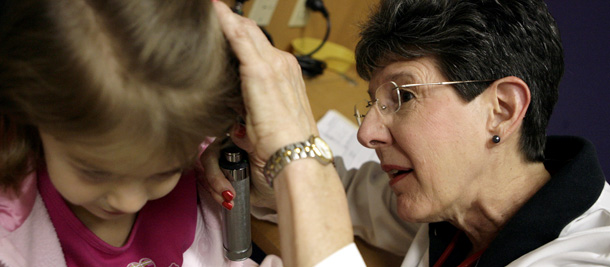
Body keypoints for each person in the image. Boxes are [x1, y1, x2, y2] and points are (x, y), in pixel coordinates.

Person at [206, 0, 610, 266]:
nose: (367, 132)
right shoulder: (455, 200)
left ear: (500, 110)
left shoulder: (590, 256)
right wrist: (255, 169)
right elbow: (346, 194)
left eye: (402, 95)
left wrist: (297, 145)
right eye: (372, 103)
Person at [0, 0, 287, 266]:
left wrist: (283, 181)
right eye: (96, 172)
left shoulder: (200, 158)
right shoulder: (9, 236)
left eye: (164, 172)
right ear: (30, 114)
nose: (130, 202)